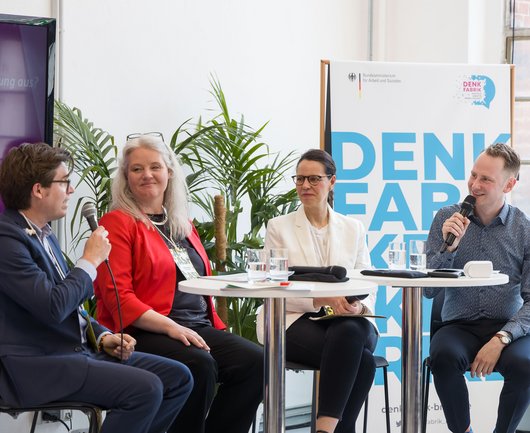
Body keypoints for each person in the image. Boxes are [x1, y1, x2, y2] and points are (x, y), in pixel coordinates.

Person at [0, 142, 193, 433]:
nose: (72, 190)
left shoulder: (43, 233)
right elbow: (52, 307)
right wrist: (89, 261)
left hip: (75, 351)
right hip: (36, 366)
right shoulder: (7, 239)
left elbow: (71, 307)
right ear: (39, 190)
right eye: (65, 182)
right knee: (146, 388)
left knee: (178, 377)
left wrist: (102, 337)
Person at [94, 134, 263, 433]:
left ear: (169, 172)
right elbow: (118, 298)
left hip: (195, 325)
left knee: (256, 362)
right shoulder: (117, 223)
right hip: (140, 330)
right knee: (198, 364)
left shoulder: (181, 224)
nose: (147, 175)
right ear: (125, 177)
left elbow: (198, 281)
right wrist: (172, 327)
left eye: (155, 167)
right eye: (137, 169)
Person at [257, 148, 378, 433]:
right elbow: (273, 285)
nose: (305, 186)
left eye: (313, 179)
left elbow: (367, 282)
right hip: (293, 319)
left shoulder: (353, 228)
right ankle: (330, 429)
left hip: (350, 321)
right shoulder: (279, 227)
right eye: (299, 179)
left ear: (332, 182)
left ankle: (324, 429)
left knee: (350, 329)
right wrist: (321, 300)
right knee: (364, 360)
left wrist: (357, 307)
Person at [425, 143, 530, 433]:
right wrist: (450, 248)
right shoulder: (446, 219)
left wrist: (502, 338)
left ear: (509, 184)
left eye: (486, 179)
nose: (474, 185)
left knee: (526, 366)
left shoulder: (524, 229)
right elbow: (428, 290)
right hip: (459, 325)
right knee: (443, 357)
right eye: (473, 175)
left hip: (506, 326)